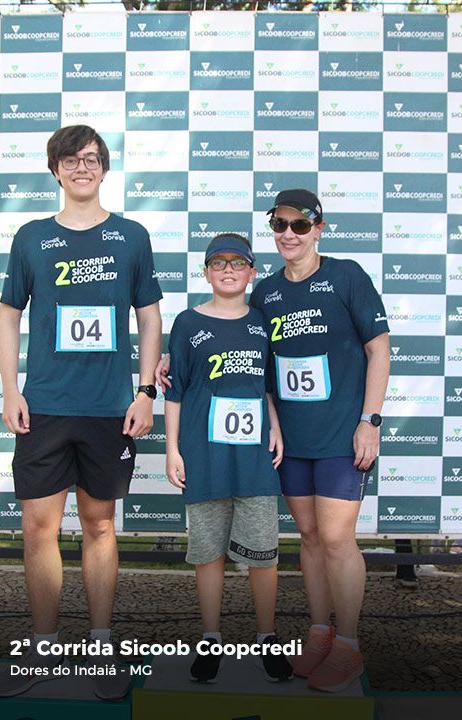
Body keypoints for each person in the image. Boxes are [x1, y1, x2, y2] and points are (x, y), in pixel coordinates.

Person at [159, 189, 389, 692]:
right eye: (280, 225)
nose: (289, 233)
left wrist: (370, 419)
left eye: (299, 225)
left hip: (341, 434)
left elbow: (379, 348)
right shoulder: (264, 295)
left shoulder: (347, 276)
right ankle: (320, 633)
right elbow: (237, 348)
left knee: (336, 538)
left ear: (318, 228)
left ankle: (348, 644)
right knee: (309, 538)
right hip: (287, 442)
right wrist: (172, 359)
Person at [0, 124, 162, 700]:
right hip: (44, 407)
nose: (81, 167)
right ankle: (42, 645)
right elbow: (9, 315)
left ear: (104, 168)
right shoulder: (32, 237)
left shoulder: (131, 237)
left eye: (91, 159)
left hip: (109, 410)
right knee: (38, 529)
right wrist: (11, 389)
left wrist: (145, 392)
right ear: (56, 170)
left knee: (99, 525)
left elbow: (149, 318)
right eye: (70, 160)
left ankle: (101, 644)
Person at [164, 233, 292, 683]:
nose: (228, 270)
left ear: (252, 272)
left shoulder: (262, 321)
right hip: (204, 454)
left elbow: (267, 384)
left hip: (254, 456)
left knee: (263, 554)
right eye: (218, 263)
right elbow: (175, 391)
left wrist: (275, 425)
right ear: (206, 273)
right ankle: (210, 639)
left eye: (238, 263)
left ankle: (268, 637)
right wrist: (172, 448)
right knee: (208, 554)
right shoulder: (186, 322)